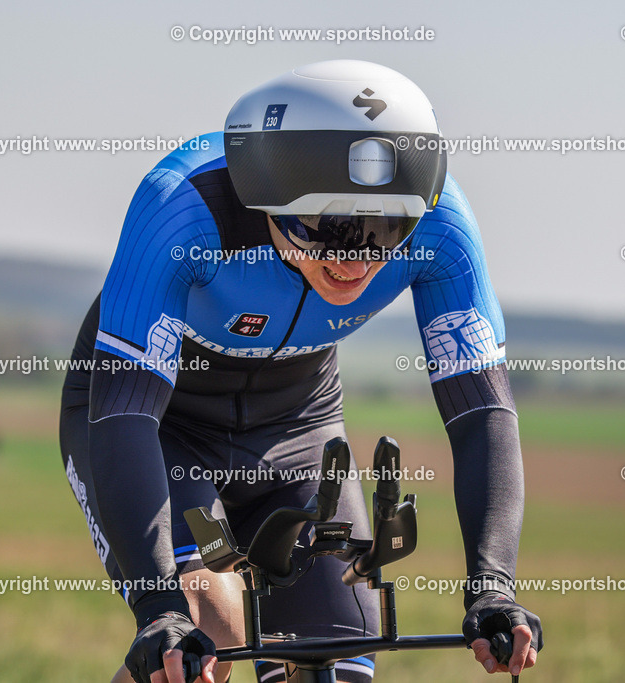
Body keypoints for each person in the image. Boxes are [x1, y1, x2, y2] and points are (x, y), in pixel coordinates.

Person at [59, 59, 542, 683]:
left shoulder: (443, 224)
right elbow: (125, 415)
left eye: (386, 229)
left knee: (338, 661)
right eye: (329, 229)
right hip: (159, 427)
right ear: (265, 194)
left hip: (299, 429)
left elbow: (483, 415)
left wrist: (492, 588)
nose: (356, 260)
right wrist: (158, 608)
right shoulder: (182, 209)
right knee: (204, 630)